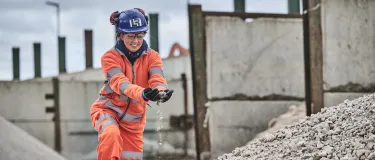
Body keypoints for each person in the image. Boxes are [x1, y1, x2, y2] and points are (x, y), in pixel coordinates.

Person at [90, 8, 173, 160]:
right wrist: (142, 93)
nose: (135, 41)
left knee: (131, 157)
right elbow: (120, 83)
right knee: (111, 134)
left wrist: (161, 91)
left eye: (139, 36)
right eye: (131, 36)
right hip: (107, 111)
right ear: (120, 35)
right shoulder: (110, 57)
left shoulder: (153, 57)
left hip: (133, 122)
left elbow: (157, 78)